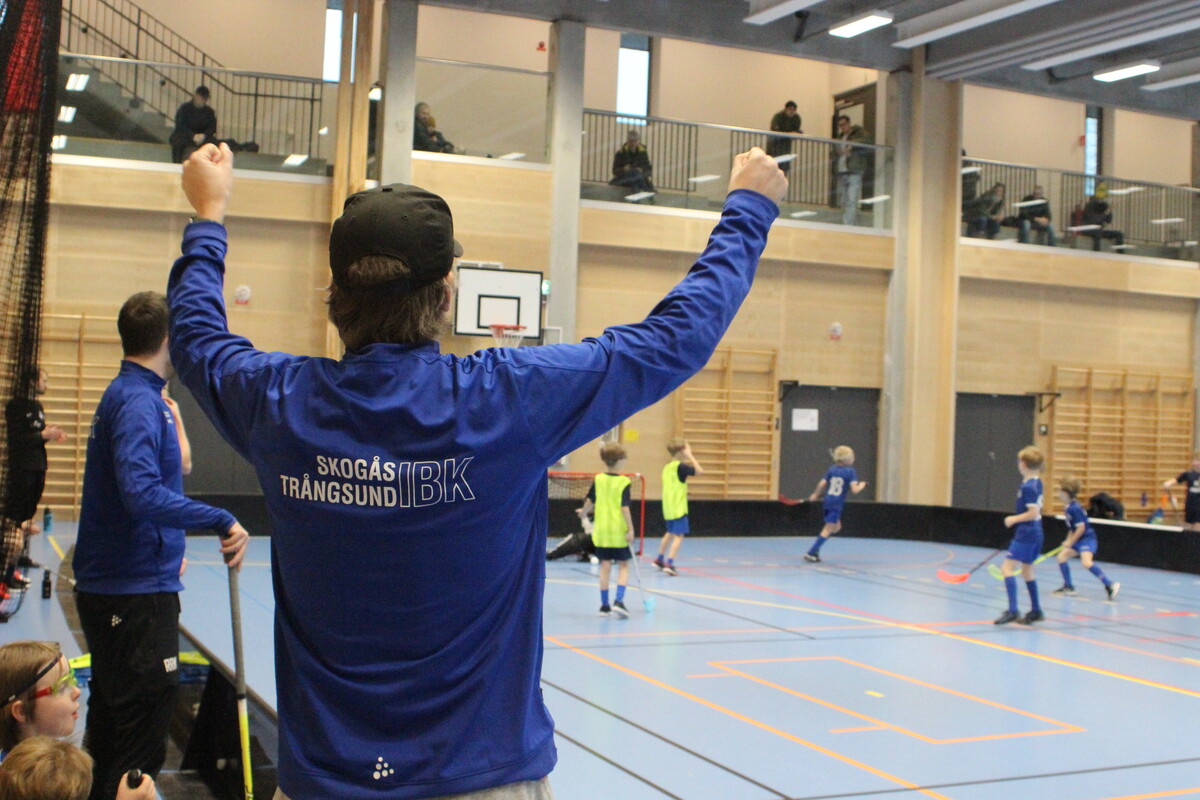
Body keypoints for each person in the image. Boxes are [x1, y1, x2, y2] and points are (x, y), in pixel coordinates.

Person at [170, 141, 785, 799]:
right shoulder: (507, 398)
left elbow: (196, 336)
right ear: (446, 295)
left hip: (325, 782)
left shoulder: (277, 404)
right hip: (482, 777)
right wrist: (747, 209)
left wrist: (209, 215)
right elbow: (672, 340)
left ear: (334, 296)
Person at [71, 292, 249, 800]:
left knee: (114, 725)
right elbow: (141, 493)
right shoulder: (136, 402)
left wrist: (168, 550)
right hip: (131, 595)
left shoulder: (140, 395)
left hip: (133, 583)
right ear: (170, 339)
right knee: (137, 740)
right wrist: (219, 518)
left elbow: (162, 477)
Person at [0, 644, 155, 800]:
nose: (76, 691)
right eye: (62, 687)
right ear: (21, 711)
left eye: (72, 679)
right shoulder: (37, 783)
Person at [3, 368, 66, 597]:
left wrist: (49, 434)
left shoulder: (37, 406)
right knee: (14, 521)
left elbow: (37, 436)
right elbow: (18, 440)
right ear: (31, 381)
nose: (45, 384)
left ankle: (18, 561)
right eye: (43, 380)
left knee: (27, 517)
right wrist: (42, 435)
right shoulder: (16, 406)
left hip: (38, 466)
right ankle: (6, 574)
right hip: (22, 469)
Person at [579, 444, 636, 617]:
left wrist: (583, 513)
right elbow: (624, 508)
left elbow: (590, 501)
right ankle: (619, 602)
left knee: (605, 566)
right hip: (618, 532)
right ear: (619, 461)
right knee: (623, 566)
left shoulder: (599, 479)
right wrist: (631, 529)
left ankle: (604, 606)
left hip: (602, 532)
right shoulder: (624, 482)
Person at [995, 446, 1045, 626]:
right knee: (1027, 571)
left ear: (1023, 464)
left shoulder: (1028, 487)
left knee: (1006, 568)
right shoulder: (1036, 482)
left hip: (1027, 532)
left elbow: (1033, 512)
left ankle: (1013, 610)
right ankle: (1036, 610)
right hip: (1034, 531)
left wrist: (1013, 519)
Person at [1053, 478, 1119, 600]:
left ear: (1067, 493)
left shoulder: (1074, 508)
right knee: (1061, 557)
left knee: (1086, 562)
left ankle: (1110, 585)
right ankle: (1069, 587)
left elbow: (1081, 528)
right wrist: (1067, 540)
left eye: (1061, 491)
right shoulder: (1068, 507)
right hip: (1078, 539)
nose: (1058, 493)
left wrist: (1070, 542)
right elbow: (1072, 528)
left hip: (1087, 539)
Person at [804, 445, 866, 563]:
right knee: (829, 528)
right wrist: (862, 485)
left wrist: (815, 494)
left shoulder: (832, 469)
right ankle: (811, 552)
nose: (854, 458)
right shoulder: (850, 471)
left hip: (827, 501)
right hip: (836, 504)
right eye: (852, 456)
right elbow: (855, 490)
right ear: (846, 459)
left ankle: (816, 549)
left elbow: (822, 483)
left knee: (836, 527)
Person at [654, 438, 703, 576]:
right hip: (678, 507)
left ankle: (659, 559)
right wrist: (691, 456)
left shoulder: (667, 467)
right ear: (682, 451)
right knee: (679, 535)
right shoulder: (681, 467)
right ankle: (669, 564)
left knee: (669, 532)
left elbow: (673, 485)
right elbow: (699, 471)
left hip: (668, 506)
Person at [832, 115, 871, 226]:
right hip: (842, 170)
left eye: (844, 124)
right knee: (844, 200)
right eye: (840, 125)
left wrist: (852, 145)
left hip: (854, 170)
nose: (842, 127)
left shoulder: (858, 132)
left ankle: (849, 224)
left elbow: (868, 140)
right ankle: (848, 222)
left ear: (849, 123)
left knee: (852, 198)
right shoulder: (840, 137)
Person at [169, 86, 216, 164]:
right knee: (177, 140)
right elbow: (180, 125)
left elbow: (212, 128)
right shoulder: (184, 108)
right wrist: (192, 135)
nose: (204, 101)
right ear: (196, 96)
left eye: (205, 99)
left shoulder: (209, 112)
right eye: (202, 98)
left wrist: (204, 135)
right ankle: (177, 163)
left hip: (203, 137)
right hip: (186, 135)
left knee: (213, 143)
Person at [1081, 182, 1125, 251]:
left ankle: (1120, 253)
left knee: (1119, 234)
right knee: (1097, 232)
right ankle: (1096, 251)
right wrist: (1105, 213)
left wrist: (1110, 210)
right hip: (1088, 229)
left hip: (1098, 230)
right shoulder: (1091, 205)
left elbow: (1108, 221)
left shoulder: (1102, 205)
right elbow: (1096, 219)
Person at [1162, 453, 1200, 532]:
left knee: (1197, 526)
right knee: (1189, 524)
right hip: (1191, 504)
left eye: (1198, 461)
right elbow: (1177, 480)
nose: (1197, 463)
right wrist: (1168, 483)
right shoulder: (1189, 474)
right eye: (1195, 461)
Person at [609, 129, 654, 194]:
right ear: (628, 141)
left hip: (635, 179)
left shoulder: (643, 153)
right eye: (631, 141)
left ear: (638, 141)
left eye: (635, 141)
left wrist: (641, 170)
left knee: (636, 176)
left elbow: (648, 170)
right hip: (626, 178)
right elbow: (615, 171)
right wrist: (624, 169)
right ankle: (641, 194)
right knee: (636, 178)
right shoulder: (620, 153)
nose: (633, 143)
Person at [766, 101, 801, 173]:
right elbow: (775, 129)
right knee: (773, 165)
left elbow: (796, 130)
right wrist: (789, 134)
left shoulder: (796, 118)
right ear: (785, 109)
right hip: (774, 144)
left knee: (784, 166)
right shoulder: (778, 116)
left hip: (786, 146)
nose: (791, 112)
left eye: (793, 110)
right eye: (790, 109)